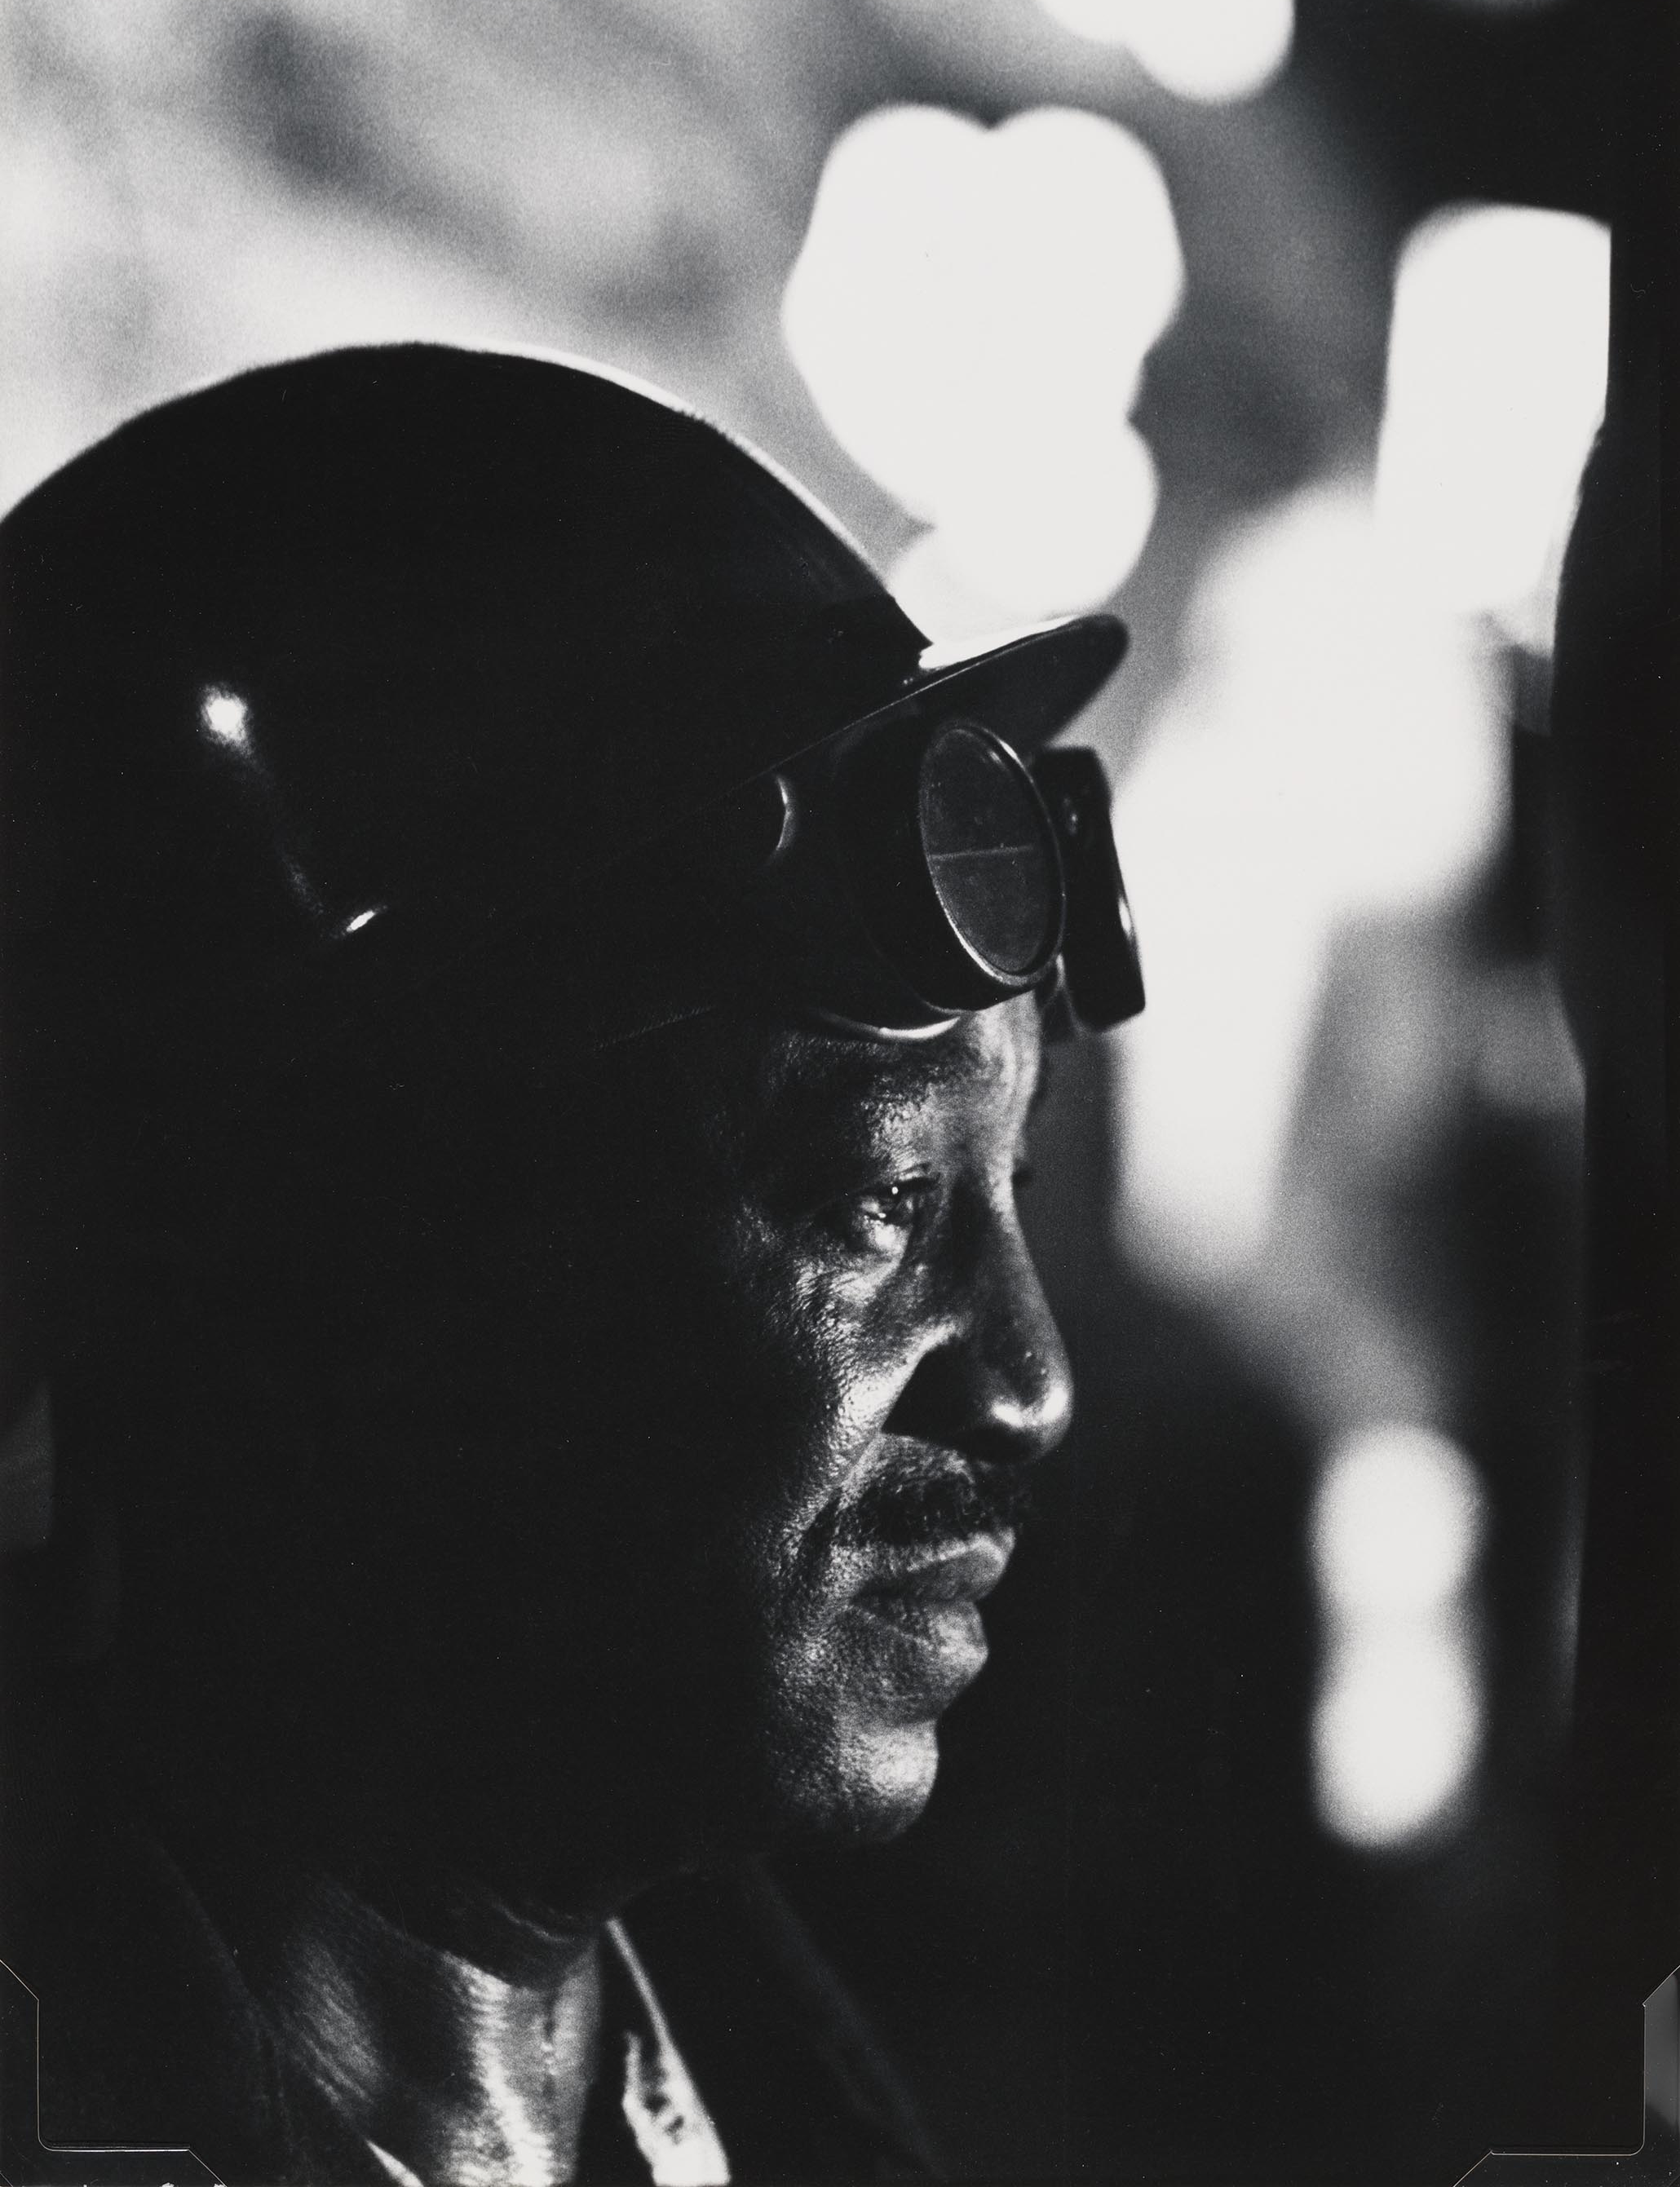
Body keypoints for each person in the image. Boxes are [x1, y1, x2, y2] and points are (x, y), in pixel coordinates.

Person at [0, 345, 1141, 2186]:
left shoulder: (788, 2108)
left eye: (1005, 1186)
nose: (1027, 1382)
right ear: (341, 1246)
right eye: (877, 1201)